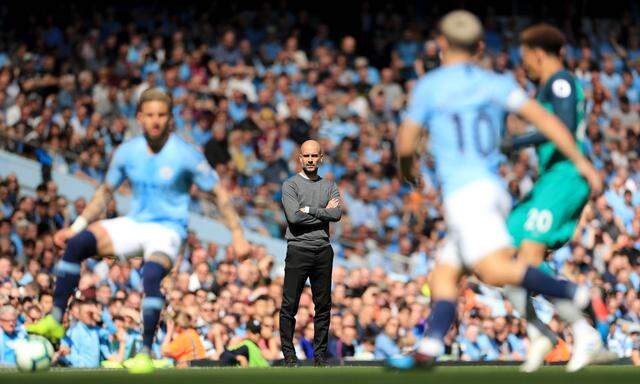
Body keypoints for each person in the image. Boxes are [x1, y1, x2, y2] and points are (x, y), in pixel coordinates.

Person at [387, 10, 602, 371]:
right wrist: (581, 162)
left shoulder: (431, 86)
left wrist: (410, 175)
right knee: (444, 272)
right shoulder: (496, 83)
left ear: (441, 44)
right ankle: (430, 344)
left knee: (498, 269)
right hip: (493, 187)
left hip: (468, 191)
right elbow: (546, 120)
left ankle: (572, 297)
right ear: (480, 47)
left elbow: (405, 145)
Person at [26, 88, 251, 374]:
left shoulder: (186, 155)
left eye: (161, 115)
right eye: (150, 115)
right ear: (140, 118)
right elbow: (106, 191)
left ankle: (145, 352)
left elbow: (218, 193)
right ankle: (56, 320)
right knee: (78, 244)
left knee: (151, 274)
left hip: (168, 229)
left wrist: (238, 234)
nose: (155, 121)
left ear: (170, 119)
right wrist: (76, 226)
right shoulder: (127, 152)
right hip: (136, 223)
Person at [501, 23, 611, 372]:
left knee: (528, 256)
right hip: (550, 180)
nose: (525, 67)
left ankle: (581, 330)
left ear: (536, 53)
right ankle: (542, 332)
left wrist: (515, 143)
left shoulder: (559, 82)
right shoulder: (548, 87)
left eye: (525, 58)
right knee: (499, 254)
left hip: (564, 179)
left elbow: (559, 126)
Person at [279, 139, 342, 367]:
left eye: (314, 156)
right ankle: (289, 357)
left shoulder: (329, 185)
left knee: (323, 305)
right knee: (290, 305)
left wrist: (310, 210)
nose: (311, 160)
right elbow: (294, 218)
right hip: (298, 249)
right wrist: (323, 212)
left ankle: (320, 357)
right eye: (307, 156)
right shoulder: (291, 185)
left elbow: (336, 215)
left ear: (321, 158)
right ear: (300, 158)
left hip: (323, 250)